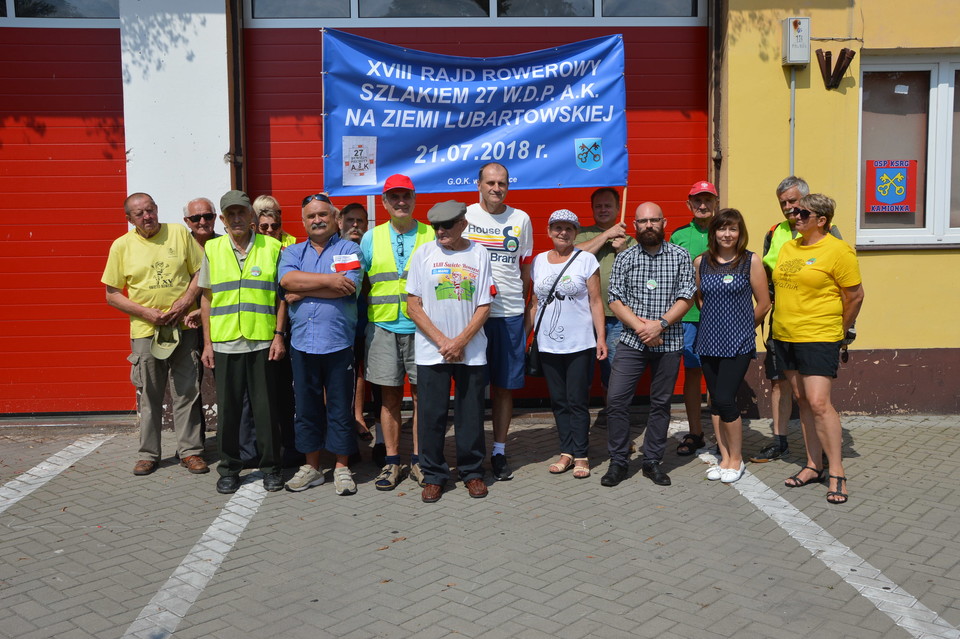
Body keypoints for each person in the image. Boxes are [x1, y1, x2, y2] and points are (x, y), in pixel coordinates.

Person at [102, 193, 207, 476]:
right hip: (146, 331)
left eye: (150, 210)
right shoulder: (121, 246)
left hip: (183, 327)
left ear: (157, 209)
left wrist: (185, 302)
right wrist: (146, 313)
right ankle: (148, 454)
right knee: (150, 395)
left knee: (187, 392)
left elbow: (200, 272)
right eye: (139, 214)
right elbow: (112, 294)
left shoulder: (178, 234)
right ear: (129, 219)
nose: (147, 216)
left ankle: (191, 452)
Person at [772, 194, 863, 504]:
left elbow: (855, 296)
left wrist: (839, 331)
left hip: (818, 336)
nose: (794, 216)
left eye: (802, 212)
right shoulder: (787, 247)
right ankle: (814, 465)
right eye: (793, 211)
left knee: (819, 402)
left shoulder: (838, 251)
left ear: (821, 220)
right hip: (785, 334)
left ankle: (837, 472)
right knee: (802, 401)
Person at [600, 202, 695, 488]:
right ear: (635, 225)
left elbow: (687, 296)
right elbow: (615, 299)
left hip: (668, 340)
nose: (649, 225)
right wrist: (642, 327)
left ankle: (652, 460)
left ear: (664, 222)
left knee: (661, 403)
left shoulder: (680, 256)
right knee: (616, 400)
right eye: (643, 221)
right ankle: (618, 460)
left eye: (654, 220)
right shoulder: (625, 257)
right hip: (632, 341)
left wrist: (660, 324)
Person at [199, 190, 287, 494]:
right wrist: (207, 344)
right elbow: (207, 299)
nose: (236, 219)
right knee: (229, 411)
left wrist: (279, 335)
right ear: (223, 220)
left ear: (251, 216)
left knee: (266, 410)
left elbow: (281, 298)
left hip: (262, 340)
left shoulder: (273, 248)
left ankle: (272, 467)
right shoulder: (212, 249)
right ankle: (228, 468)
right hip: (225, 343)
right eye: (230, 214)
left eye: (241, 213)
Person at [406, 201, 495, 503]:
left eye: (446, 225)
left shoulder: (479, 253)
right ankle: (434, 475)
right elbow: (413, 305)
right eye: (436, 227)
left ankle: (472, 472)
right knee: (431, 415)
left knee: (470, 415)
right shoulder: (424, 254)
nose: (440, 231)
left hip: (470, 350)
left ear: (463, 224)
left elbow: (484, 304)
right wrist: (444, 341)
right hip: (433, 351)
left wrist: (461, 341)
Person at [751, 176, 843, 463]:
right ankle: (780, 442)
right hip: (782, 318)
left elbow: (842, 281)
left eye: (793, 201)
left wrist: (846, 326)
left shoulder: (829, 231)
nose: (789, 208)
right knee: (780, 382)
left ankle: (825, 451)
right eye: (783, 203)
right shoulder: (774, 232)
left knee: (816, 395)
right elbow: (765, 274)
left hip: (816, 323)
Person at [278, 193, 363, 495]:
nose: (317, 220)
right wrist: (329, 282)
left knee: (340, 408)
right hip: (302, 344)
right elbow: (287, 282)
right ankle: (312, 467)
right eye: (311, 216)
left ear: (335, 219)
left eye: (323, 215)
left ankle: (341, 467)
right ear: (303, 221)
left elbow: (349, 285)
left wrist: (305, 290)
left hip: (338, 343)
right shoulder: (292, 252)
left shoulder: (349, 248)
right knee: (307, 407)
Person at [360, 174, 435, 490]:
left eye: (406, 196)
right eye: (394, 197)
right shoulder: (370, 237)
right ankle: (391, 463)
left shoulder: (431, 234)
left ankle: (418, 461)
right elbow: (356, 282)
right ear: (384, 202)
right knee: (389, 399)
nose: (401, 202)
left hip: (423, 330)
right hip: (383, 327)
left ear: (415, 199)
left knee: (422, 398)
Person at [464, 162, 533, 481]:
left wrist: (524, 310)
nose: (496, 188)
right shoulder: (464, 217)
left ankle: (500, 451)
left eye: (502, 183)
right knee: (473, 387)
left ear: (508, 185)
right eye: (490, 182)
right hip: (472, 316)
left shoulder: (521, 219)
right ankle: (473, 451)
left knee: (504, 387)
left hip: (508, 315)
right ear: (478, 184)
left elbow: (524, 270)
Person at [693, 209, 770, 483]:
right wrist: (715, 319)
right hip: (708, 341)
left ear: (740, 232)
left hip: (737, 343)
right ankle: (723, 457)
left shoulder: (751, 261)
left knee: (726, 399)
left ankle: (736, 460)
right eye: (721, 229)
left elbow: (764, 304)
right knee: (715, 403)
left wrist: (742, 327)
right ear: (713, 232)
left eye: (732, 229)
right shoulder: (702, 262)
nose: (727, 234)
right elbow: (700, 298)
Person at [528, 210, 607, 479]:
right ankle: (566, 451)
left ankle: (582, 455)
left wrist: (601, 338)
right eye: (558, 228)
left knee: (577, 400)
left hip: (580, 343)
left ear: (576, 233)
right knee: (559, 401)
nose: (563, 232)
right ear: (549, 231)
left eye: (569, 228)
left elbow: (596, 301)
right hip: (548, 345)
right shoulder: (538, 261)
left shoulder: (586, 260)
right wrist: (525, 337)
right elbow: (535, 303)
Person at [669, 181, 717, 456]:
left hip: (719, 317)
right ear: (689, 205)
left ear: (715, 203)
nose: (702, 205)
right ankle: (696, 431)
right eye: (697, 201)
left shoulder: (724, 232)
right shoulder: (679, 236)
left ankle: (723, 434)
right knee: (693, 374)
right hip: (688, 316)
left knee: (718, 375)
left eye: (707, 200)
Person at [575, 187, 635, 391]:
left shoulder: (630, 241)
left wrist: (623, 251)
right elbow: (575, 256)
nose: (603, 210)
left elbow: (637, 277)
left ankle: (613, 416)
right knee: (582, 372)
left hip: (617, 316)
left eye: (608, 206)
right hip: (584, 315)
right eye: (598, 206)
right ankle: (580, 418)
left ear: (618, 208)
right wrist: (607, 234)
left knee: (614, 371)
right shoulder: (581, 234)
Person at [339, 202, 377, 445]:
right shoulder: (335, 247)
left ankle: (358, 416)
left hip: (364, 318)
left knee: (361, 368)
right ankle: (340, 418)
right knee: (339, 371)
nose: (355, 225)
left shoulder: (370, 247)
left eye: (360, 221)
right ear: (340, 222)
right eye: (350, 220)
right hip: (339, 321)